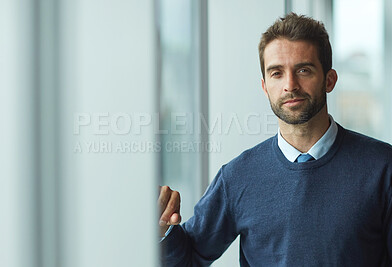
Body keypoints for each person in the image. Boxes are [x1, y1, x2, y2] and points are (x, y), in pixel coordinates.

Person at [158, 13, 392, 266]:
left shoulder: (383, 167)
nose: (290, 85)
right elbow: (190, 257)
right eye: (277, 73)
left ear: (329, 80)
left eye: (303, 70)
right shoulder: (237, 176)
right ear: (265, 86)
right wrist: (162, 232)